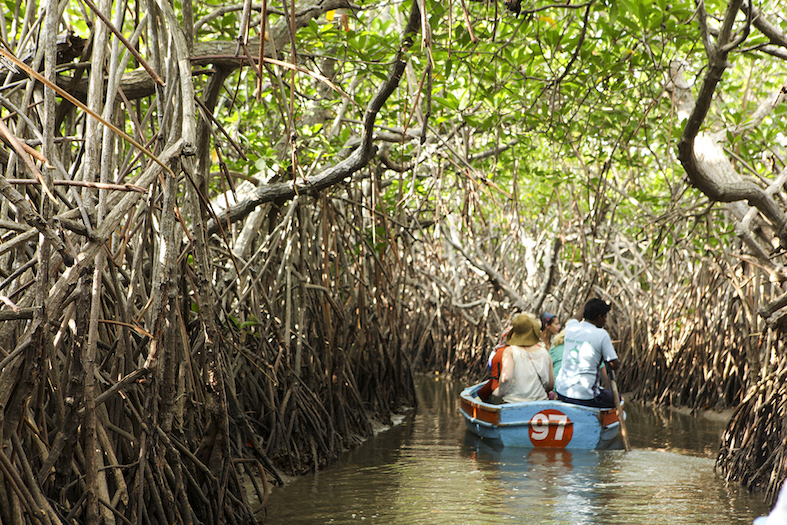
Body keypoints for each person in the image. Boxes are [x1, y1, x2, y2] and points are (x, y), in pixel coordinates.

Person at [554, 298, 620, 408]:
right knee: (616, 398)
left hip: (562, 392)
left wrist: (587, 302)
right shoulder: (601, 334)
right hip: (585, 397)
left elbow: (576, 317)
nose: (605, 321)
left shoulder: (571, 327)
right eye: (605, 317)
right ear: (599, 317)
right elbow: (614, 364)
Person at [491, 313, 554, 403]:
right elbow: (550, 384)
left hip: (513, 402)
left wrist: (499, 392)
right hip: (540, 403)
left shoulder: (510, 351)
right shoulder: (544, 352)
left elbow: (506, 378)